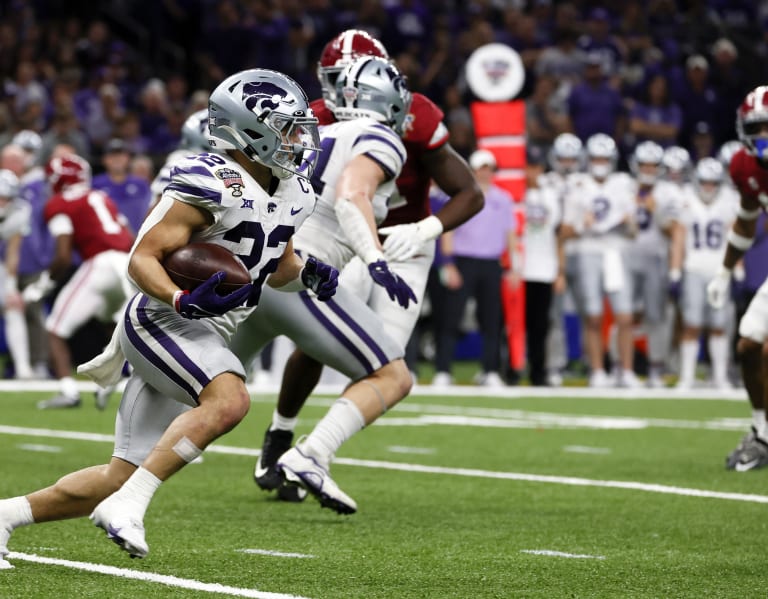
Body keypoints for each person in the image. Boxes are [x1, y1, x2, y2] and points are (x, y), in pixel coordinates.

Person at [0, 68, 337, 566]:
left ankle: (6, 515)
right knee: (229, 400)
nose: (297, 138)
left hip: (204, 329)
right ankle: (131, 507)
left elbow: (273, 264)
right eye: (286, 127)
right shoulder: (209, 179)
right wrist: (181, 299)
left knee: (120, 473)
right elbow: (141, 258)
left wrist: (307, 272)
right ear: (248, 132)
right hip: (162, 320)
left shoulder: (296, 191)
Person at [248, 29, 483, 501]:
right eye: (338, 80)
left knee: (384, 360)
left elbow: (470, 191)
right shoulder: (313, 117)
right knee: (320, 342)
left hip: (405, 242)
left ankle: (313, 453)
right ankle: (281, 435)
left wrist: (424, 230)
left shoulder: (414, 114)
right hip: (343, 243)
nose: (347, 92)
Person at [35, 154, 135, 409]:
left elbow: (63, 256)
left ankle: (69, 391)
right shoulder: (102, 197)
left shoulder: (62, 203)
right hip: (128, 263)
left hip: (101, 264)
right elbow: (128, 236)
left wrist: (43, 284)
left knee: (55, 329)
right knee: (112, 322)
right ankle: (114, 378)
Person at [706, 86, 768, 470]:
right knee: (747, 345)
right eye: (756, 127)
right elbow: (747, 219)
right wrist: (724, 270)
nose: (762, 136)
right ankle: (762, 433)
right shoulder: (744, 167)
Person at [560, 133, 639, 388]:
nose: (600, 162)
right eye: (596, 157)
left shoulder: (623, 183)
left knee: (625, 316)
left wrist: (629, 223)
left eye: (604, 158)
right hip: (588, 251)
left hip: (615, 252)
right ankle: (597, 370)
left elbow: (634, 230)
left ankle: (625, 370)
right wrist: (583, 225)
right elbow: (565, 231)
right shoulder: (577, 184)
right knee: (592, 317)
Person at [432, 149, 514, 387]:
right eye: (481, 169)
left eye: (489, 169)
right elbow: (448, 230)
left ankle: (490, 370)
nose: (485, 174)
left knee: (492, 320)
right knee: (451, 317)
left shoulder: (503, 199)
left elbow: (510, 235)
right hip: (463, 261)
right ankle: (443, 370)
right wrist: (448, 264)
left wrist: (515, 267)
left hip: (491, 263)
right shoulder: (462, 196)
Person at [676, 158, 738, 390]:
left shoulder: (729, 200)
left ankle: (720, 377)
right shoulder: (686, 199)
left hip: (719, 270)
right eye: (705, 182)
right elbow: (679, 236)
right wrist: (675, 269)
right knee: (691, 324)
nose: (709, 186)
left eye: (713, 182)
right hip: (693, 267)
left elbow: (735, 236)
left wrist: (736, 267)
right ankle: (687, 377)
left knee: (719, 325)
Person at [626, 141, 684, 387]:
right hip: (626, 256)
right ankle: (622, 367)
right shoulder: (624, 187)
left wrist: (656, 210)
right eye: (644, 165)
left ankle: (655, 368)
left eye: (652, 165)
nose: (648, 169)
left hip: (656, 257)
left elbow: (674, 229)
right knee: (624, 314)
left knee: (656, 315)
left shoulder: (668, 192)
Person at [520, 146, 563, 386]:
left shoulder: (551, 195)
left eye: (535, 167)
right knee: (515, 325)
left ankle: (538, 371)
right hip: (520, 268)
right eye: (528, 166)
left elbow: (556, 233)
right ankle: (513, 369)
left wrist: (560, 270)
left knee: (541, 325)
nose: (531, 172)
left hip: (544, 267)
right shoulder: (517, 193)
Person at [0, 169, 34, 379]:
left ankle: (23, 368)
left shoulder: (21, 210)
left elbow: (13, 251)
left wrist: (11, 287)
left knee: (14, 307)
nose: (2, 202)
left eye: (6, 198)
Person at [92, 138, 152, 235]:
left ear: (127, 158)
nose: (117, 159)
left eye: (120, 155)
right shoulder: (95, 184)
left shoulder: (140, 184)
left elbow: (150, 212)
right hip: (106, 241)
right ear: (104, 159)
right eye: (112, 156)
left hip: (137, 239)